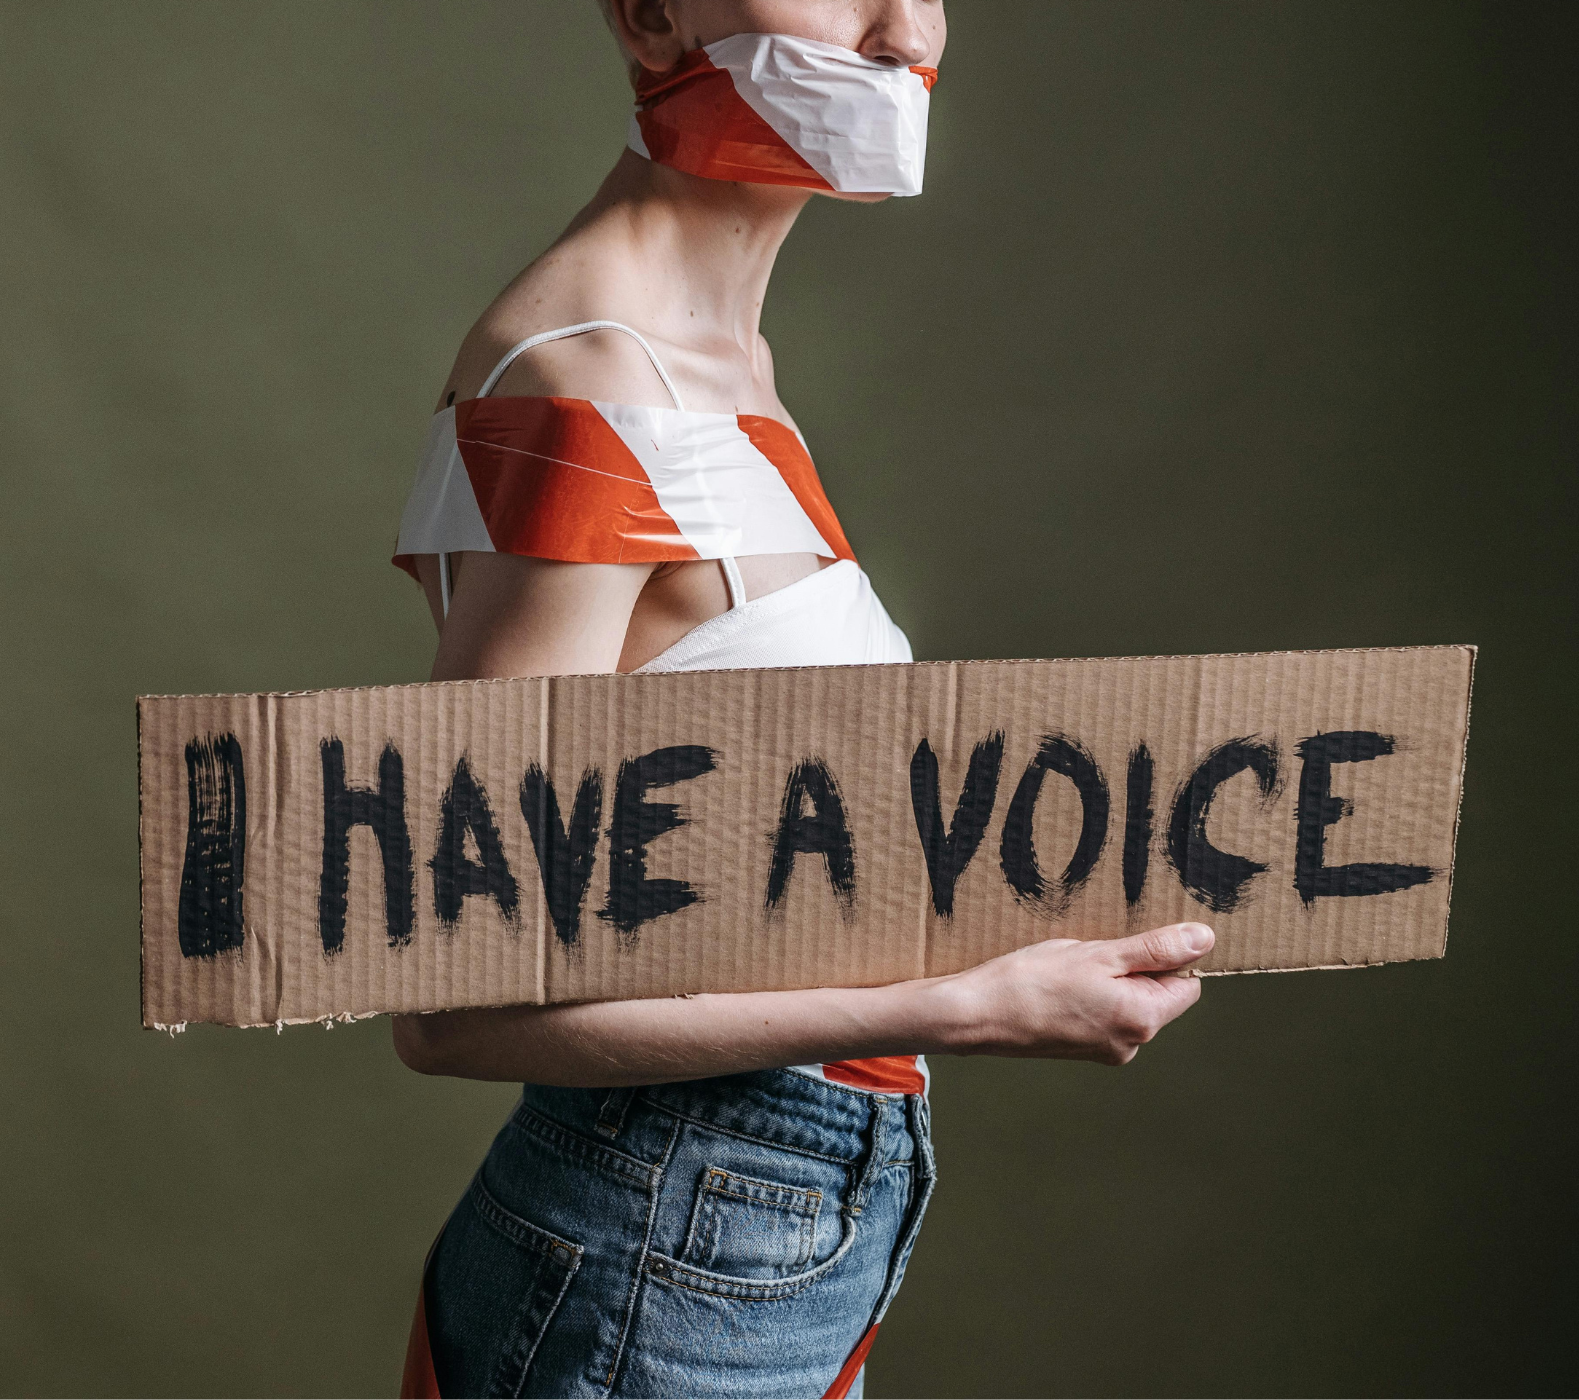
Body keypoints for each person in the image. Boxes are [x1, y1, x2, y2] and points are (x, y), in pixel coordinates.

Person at [390, 3, 1211, 1395]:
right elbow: (449, 1004)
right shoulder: (597, 385)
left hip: (765, 1218)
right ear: (651, 19)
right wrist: (964, 1002)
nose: (904, 27)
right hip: (669, 1226)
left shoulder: (717, 372)